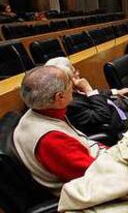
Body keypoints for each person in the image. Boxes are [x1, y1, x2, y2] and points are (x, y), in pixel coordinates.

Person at [13, 66, 106, 195]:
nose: (73, 85)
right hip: (88, 187)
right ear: (60, 97)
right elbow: (95, 175)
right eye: (69, 82)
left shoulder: (41, 112)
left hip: (97, 160)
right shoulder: (51, 140)